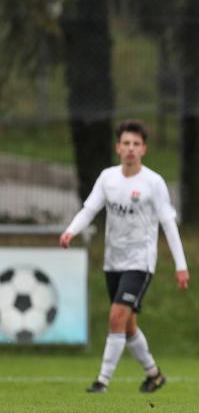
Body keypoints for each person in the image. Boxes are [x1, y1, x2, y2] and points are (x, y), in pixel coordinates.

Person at [60, 119, 189, 393]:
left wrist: (181, 265)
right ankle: (154, 374)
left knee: (116, 316)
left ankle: (102, 381)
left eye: (136, 144)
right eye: (126, 143)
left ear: (144, 149)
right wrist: (71, 231)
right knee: (128, 326)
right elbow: (89, 209)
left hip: (140, 262)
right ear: (118, 147)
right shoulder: (108, 177)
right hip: (113, 261)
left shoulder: (153, 183)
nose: (131, 149)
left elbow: (168, 224)